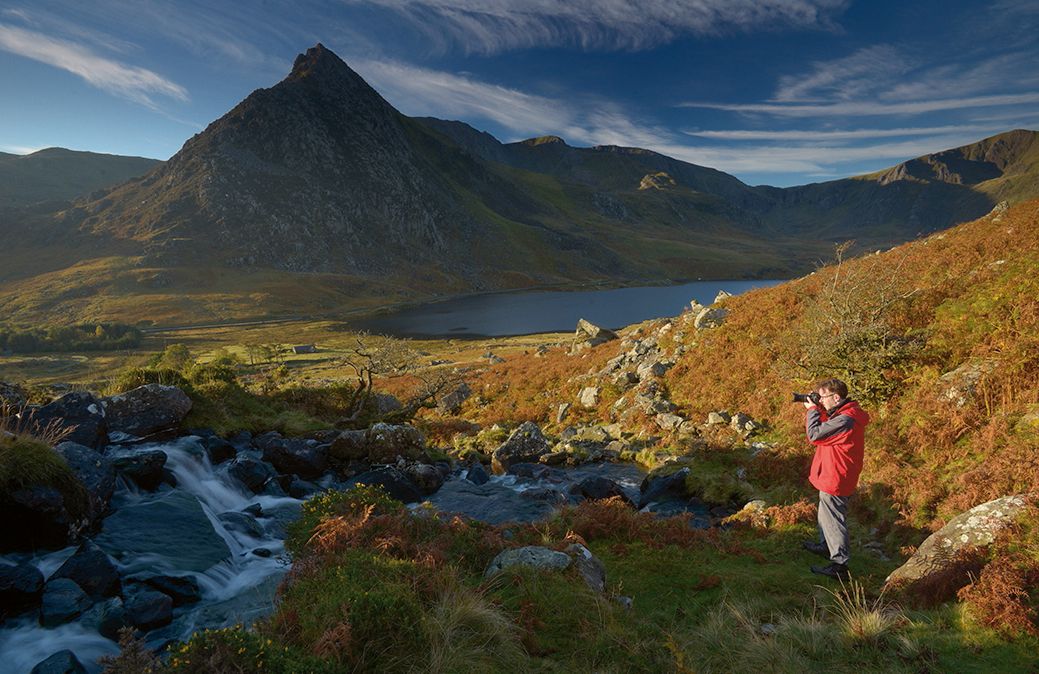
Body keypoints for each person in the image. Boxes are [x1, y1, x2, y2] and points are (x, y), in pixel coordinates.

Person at [801, 377, 870, 580]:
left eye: (823, 397)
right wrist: (819, 408)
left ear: (836, 397)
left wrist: (812, 411)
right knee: (826, 513)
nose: (821, 401)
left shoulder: (845, 420)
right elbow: (827, 425)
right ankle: (826, 546)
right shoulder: (843, 414)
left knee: (833, 518)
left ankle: (840, 565)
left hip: (837, 475)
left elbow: (815, 435)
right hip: (834, 472)